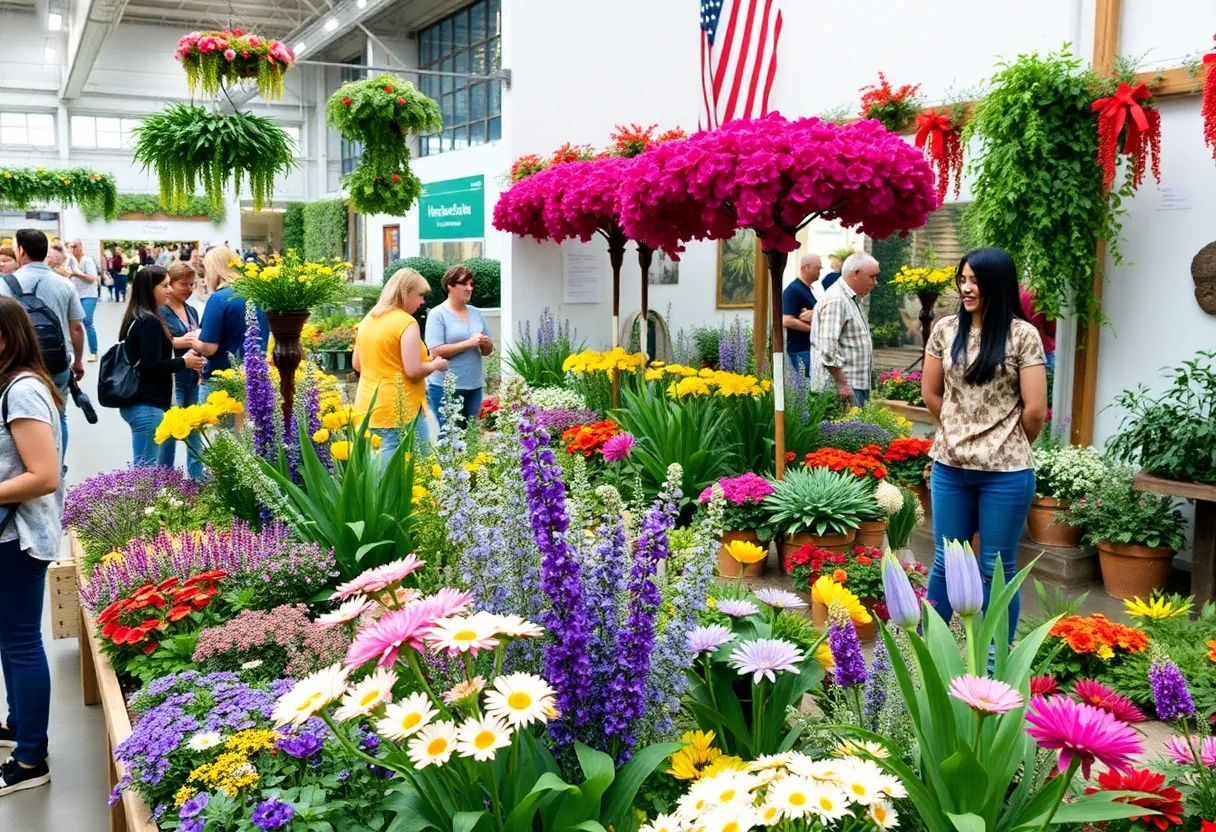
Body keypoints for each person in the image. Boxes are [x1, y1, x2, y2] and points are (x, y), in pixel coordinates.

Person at [921, 248, 1048, 642]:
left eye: (975, 280)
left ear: (998, 283)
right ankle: (930, 652)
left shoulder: (1022, 335)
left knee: (996, 569)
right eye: (962, 280)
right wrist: (958, 430)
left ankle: (996, 663)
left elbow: (1035, 410)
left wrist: (1005, 443)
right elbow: (930, 393)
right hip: (950, 469)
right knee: (947, 563)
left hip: (1006, 475)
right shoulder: (945, 330)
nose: (966, 288)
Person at [0, 296, 65, 796]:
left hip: (17, 536)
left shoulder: (21, 390)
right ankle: (18, 725)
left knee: (21, 641)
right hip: (11, 531)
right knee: (10, 638)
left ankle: (29, 759)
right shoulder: (13, 384)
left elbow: (43, 476)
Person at [1, 230, 85, 456]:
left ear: (21, 251)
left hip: (18, 364)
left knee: (19, 417)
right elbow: (77, 328)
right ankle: (58, 465)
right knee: (59, 415)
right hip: (57, 362)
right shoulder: (64, 284)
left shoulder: (4, 285)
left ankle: (30, 464)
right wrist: (78, 361)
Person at [353, 268, 448, 459]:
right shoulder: (406, 323)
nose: (422, 302)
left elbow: (357, 364)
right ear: (405, 293)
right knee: (419, 468)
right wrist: (437, 364)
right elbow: (413, 371)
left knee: (376, 471)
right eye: (420, 295)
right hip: (400, 409)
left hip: (367, 406)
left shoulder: (368, 320)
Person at [119, 266, 205, 466]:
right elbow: (152, 365)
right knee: (147, 466)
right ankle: (164, 484)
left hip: (143, 399)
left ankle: (170, 483)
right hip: (149, 401)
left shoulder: (138, 316)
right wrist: (184, 361)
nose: (169, 290)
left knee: (146, 464)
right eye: (165, 286)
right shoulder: (150, 320)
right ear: (150, 288)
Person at [193, 246, 268, 395]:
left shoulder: (218, 299)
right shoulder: (256, 294)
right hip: (255, 377)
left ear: (213, 270)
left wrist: (192, 341)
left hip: (222, 380)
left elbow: (209, 347)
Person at [425, 265, 492, 428]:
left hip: (474, 385)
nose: (470, 288)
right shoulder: (437, 314)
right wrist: (469, 343)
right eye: (464, 284)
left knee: (471, 435)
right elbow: (436, 351)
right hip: (445, 388)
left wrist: (485, 343)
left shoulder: (476, 313)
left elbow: (487, 351)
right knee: (449, 436)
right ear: (450, 286)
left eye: (471, 284)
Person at [810, 251, 878, 406]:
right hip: (841, 390)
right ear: (856, 274)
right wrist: (842, 384)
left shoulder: (852, 298)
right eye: (872, 277)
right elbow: (827, 350)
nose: (874, 282)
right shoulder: (837, 299)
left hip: (853, 386)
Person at [158, 263, 204, 479]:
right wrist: (179, 341)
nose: (188, 289)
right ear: (171, 284)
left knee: (196, 432)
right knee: (169, 433)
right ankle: (165, 483)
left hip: (193, 377)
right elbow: (158, 343)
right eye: (183, 284)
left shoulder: (191, 310)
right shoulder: (160, 311)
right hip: (173, 378)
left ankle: (197, 482)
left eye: (191, 284)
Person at [781, 254, 822, 375]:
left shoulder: (809, 289)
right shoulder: (793, 290)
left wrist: (814, 314)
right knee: (806, 384)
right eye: (817, 268)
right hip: (801, 350)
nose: (819, 272)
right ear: (806, 268)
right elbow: (787, 320)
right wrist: (813, 329)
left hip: (810, 348)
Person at [68, 241, 101, 362]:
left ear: (81, 247)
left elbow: (92, 278)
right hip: (75, 294)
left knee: (87, 321)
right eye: (71, 247)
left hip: (88, 295)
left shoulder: (87, 260)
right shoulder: (70, 261)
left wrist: (77, 274)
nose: (73, 249)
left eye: (75, 247)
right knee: (73, 323)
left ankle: (93, 352)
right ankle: (72, 352)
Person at [1019, 285, 1057, 370]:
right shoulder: (1041, 295)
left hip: (1020, 350)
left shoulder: (1018, 293)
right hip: (1044, 348)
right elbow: (1051, 328)